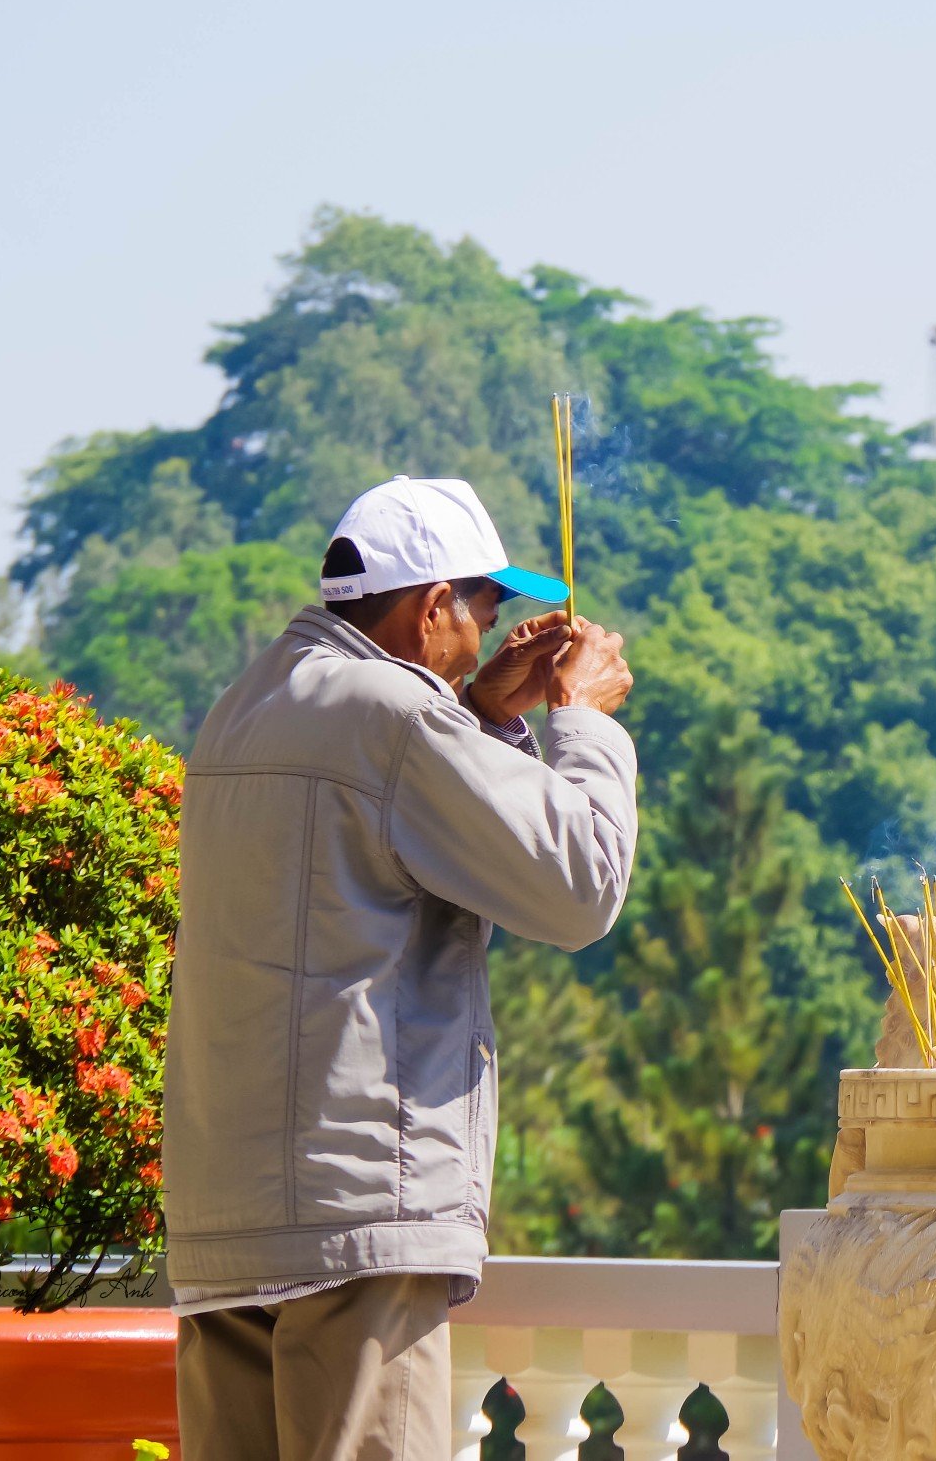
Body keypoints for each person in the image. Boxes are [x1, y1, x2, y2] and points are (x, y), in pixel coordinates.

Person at [163, 474, 638, 1459]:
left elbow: (383, 833)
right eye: (487, 605)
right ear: (432, 609)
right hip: (355, 1216)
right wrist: (580, 722)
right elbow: (577, 888)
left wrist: (483, 715)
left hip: (232, 1220)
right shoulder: (395, 717)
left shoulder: (248, 707)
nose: (491, 627)